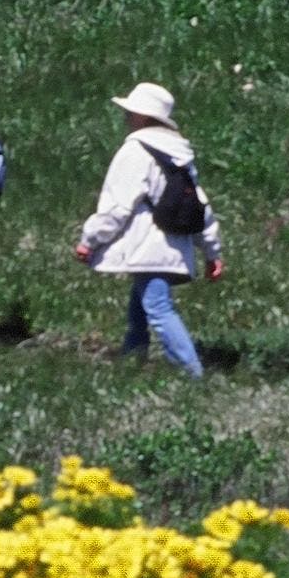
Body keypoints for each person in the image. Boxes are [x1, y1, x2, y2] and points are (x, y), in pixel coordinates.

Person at [75, 81, 218, 378]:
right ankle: (131, 358)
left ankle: (193, 374)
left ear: (142, 116)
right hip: (175, 243)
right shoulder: (180, 155)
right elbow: (201, 205)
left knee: (158, 307)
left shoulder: (135, 152)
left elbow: (117, 207)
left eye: (130, 113)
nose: (126, 118)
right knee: (142, 302)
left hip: (146, 245)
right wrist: (212, 251)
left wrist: (90, 240)